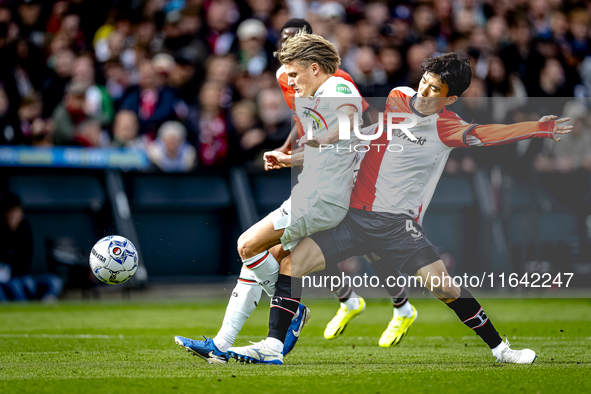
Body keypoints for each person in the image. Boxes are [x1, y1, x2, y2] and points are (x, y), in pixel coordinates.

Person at [227, 52, 572, 365]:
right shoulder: (396, 97)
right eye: (424, 81)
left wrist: (539, 128)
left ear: (450, 97)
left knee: (444, 288)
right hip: (352, 217)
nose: (424, 91)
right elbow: (362, 133)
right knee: (291, 262)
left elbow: (490, 133)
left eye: (435, 89)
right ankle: (273, 346)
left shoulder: (446, 127)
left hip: (396, 226)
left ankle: (501, 349)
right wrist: (295, 154)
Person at [174, 29, 365, 364]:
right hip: (317, 196)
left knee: (247, 245)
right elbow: (331, 147)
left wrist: (320, 139)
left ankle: (291, 308)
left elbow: (350, 125)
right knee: (268, 258)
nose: (290, 83)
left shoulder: (337, 87)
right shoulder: (319, 94)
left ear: (315, 68)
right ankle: (224, 344)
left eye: (294, 74)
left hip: (319, 200)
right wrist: (290, 158)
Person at [0, 191, 63, 302]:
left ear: (21, 212)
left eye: (14, 212)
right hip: (7, 281)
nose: (11, 217)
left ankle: (46, 302)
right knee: (15, 285)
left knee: (54, 282)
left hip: (24, 277)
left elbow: (25, 262)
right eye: (8, 213)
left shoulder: (25, 229)